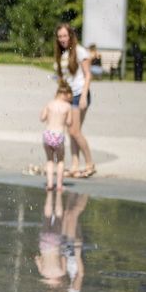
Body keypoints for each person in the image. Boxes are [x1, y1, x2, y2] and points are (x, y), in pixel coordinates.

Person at [54, 23, 95, 178]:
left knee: (74, 131)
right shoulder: (63, 54)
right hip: (69, 96)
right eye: (60, 36)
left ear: (71, 36)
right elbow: (63, 78)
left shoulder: (80, 51)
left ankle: (90, 163)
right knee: (71, 131)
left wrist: (84, 96)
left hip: (80, 95)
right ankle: (75, 165)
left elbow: (88, 75)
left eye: (65, 35)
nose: (62, 39)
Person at [40, 81, 73, 191]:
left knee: (49, 160)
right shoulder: (67, 106)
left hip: (48, 134)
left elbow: (42, 118)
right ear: (66, 94)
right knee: (60, 161)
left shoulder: (49, 104)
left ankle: (49, 184)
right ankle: (59, 185)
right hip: (59, 135)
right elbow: (69, 122)